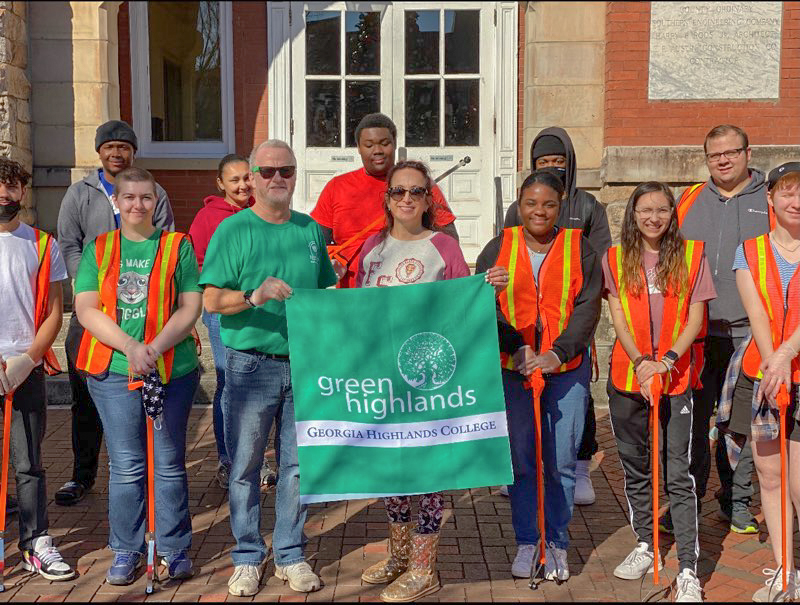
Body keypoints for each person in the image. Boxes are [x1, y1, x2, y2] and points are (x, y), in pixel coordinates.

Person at [355, 160, 507, 602]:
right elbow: (358, 312)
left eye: (416, 192)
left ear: (428, 200)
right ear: (387, 199)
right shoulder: (371, 249)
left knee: (427, 475)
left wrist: (487, 288)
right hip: (384, 380)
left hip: (428, 381)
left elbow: (464, 306)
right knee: (393, 473)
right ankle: (400, 557)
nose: (406, 199)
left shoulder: (443, 247)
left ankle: (424, 569)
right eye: (398, 191)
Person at [201, 139, 336, 597]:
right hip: (249, 365)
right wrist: (253, 296)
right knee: (245, 466)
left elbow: (326, 296)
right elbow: (211, 300)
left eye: (287, 170)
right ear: (253, 177)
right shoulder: (233, 231)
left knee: (298, 467)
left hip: (304, 363)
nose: (278, 178)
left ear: (296, 175)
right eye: (269, 170)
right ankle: (246, 556)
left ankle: (291, 555)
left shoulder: (311, 230)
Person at [74, 167, 201, 585]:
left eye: (146, 197)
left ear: (156, 201)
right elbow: (87, 309)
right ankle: (127, 549)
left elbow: (190, 306)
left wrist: (155, 346)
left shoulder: (177, 245)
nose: (137, 205)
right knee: (127, 466)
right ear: (116, 201)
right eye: (129, 197)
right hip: (112, 371)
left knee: (167, 463)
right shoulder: (100, 247)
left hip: (171, 370)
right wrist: (130, 348)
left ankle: (173, 547)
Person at [477, 170, 601, 583]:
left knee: (561, 463)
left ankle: (558, 544)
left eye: (548, 204)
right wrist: (518, 348)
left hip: (565, 371)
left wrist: (555, 353)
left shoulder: (578, 246)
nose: (539, 211)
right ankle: (528, 541)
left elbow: (587, 309)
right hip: (515, 372)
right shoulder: (498, 247)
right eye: (531, 203)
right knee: (524, 462)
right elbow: (483, 307)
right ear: (519, 203)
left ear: (561, 205)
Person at [604, 182, 714, 602]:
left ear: (673, 214)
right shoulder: (615, 259)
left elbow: (694, 319)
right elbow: (619, 319)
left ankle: (688, 566)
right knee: (636, 466)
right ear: (633, 215)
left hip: (676, 377)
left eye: (662, 210)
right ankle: (646, 544)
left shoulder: (691, 256)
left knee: (678, 474)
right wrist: (640, 362)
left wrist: (665, 361)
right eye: (645, 210)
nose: (653, 218)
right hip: (630, 378)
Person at [56, 120, 175, 506]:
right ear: (100, 152)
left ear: (133, 152)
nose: (117, 152)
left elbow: (167, 242)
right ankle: (82, 475)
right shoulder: (80, 193)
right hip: (93, 314)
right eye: (109, 146)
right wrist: (89, 285)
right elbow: (69, 244)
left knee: (144, 399)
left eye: (124, 146)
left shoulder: (154, 193)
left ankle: (142, 475)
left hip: (144, 314)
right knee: (85, 399)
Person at [503, 127, 611, 505]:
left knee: (573, 411)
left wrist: (565, 345)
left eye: (558, 162)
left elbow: (595, 273)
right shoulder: (512, 220)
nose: (551, 167)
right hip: (522, 346)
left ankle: (580, 467)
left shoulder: (588, 208)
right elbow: (505, 267)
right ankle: (521, 477)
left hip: (566, 334)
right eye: (543, 162)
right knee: (521, 421)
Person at [671, 124, 768, 535]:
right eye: (715, 155)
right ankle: (686, 503)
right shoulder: (690, 199)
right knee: (693, 422)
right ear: (706, 158)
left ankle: (736, 498)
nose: (724, 160)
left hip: (752, 332)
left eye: (731, 152)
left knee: (742, 424)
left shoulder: (769, 198)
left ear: (748, 153)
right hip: (697, 332)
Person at [727, 163, 800, 601]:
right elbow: (756, 313)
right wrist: (773, 362)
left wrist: (787, 354)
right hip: (762, 377)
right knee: (770, 478)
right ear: (770, 198)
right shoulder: (749, 250)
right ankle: (784, 569)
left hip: (795, 369)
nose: (796, 202)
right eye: (787, 192)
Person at [0, 158, 75, 581]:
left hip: (24, 366)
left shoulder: (42, 244)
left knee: (29, 461)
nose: (5, 196)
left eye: (12, 188)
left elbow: (52, 311)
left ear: (23, 193)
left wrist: (27, 360)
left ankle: (35, 541)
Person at [311, 113, 458, 288]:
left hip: (411, 289)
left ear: (395, 143)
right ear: (358, 147)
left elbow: (450, 240)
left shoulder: (419, 186)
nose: (377, 150)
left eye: (384, 143)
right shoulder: (337, 187)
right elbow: (315, 243)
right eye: (369, 145)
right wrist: (333, 261)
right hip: (354, 295)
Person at [189, 154, 254, 489]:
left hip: (257, 307)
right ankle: (228, 459)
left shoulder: (261, 211)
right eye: (234, 180)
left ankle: (252, 458)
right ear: (220, 184)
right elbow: (200, 266)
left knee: (257, 385)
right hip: (223, 310)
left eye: (247, 177)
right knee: (230, 383)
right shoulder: (207, 217)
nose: (243, 185)